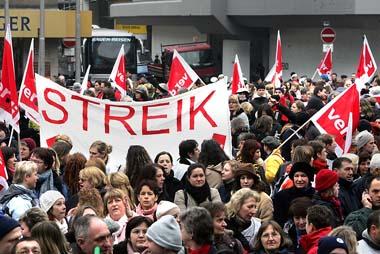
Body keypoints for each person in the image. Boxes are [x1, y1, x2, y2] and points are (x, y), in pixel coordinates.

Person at [273, 162, 315, 227]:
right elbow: (278, 222)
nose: (299, 179)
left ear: (309, 177)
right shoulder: (281, 196)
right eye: (296, 176)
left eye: (303, 176)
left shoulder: (316, 195)